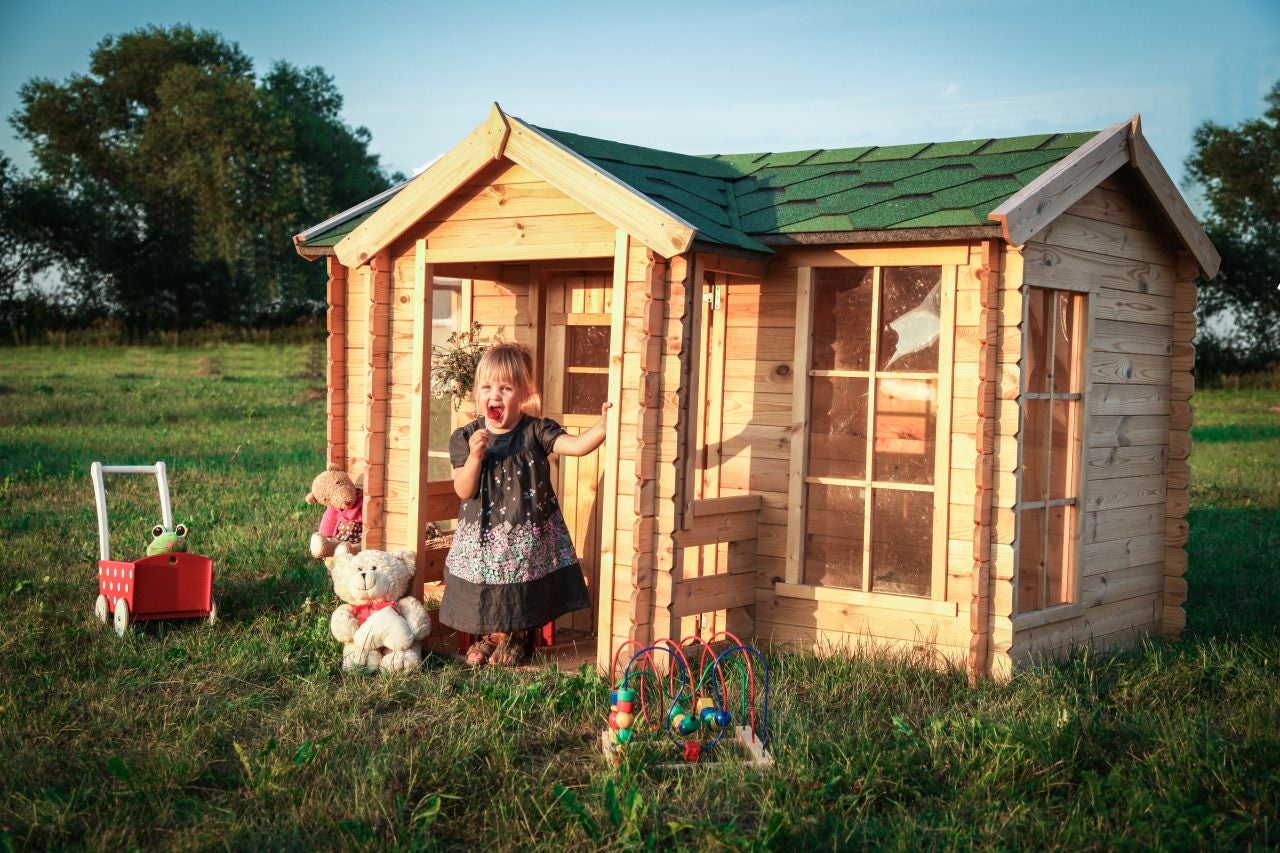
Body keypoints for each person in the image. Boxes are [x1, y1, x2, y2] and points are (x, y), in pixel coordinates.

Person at [438, 342, 612, 666]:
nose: (496, 395)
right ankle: (490, 636)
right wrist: (476, 456)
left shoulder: (535, 430)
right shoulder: (467, 436)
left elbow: (575, 446)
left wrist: (602, 427)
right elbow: (463, 489)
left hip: (525, 532)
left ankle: (514, 639)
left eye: (506, 388)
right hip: (483, 535)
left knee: (518, 584)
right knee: (485, 585)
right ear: (478, 392)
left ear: (524, 392)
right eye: (488, 387)